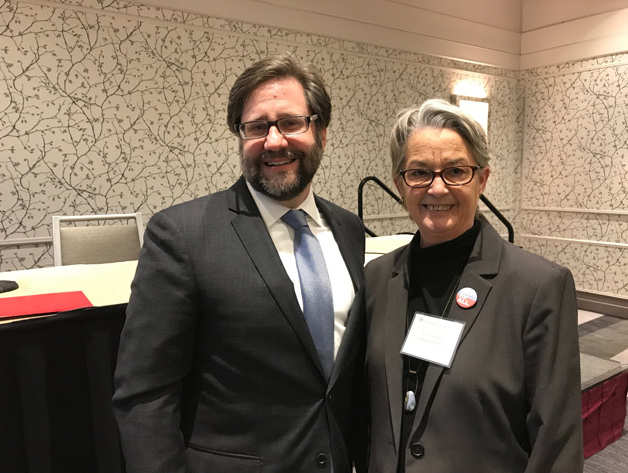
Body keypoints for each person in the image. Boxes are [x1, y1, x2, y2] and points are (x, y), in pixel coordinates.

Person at [112, 53, 366, 473]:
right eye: (256, 126)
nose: (274, 141)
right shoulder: (182, 235)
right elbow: (145, 394)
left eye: (290, 122)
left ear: (321, 133)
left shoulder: (349, 229)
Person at [364, 99, 583, 472]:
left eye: (455, 171)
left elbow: (556, 442)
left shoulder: (539, 286)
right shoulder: (376, 278)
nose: (436, 188)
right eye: (419, 173)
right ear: (400, 184)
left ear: (482, 179)